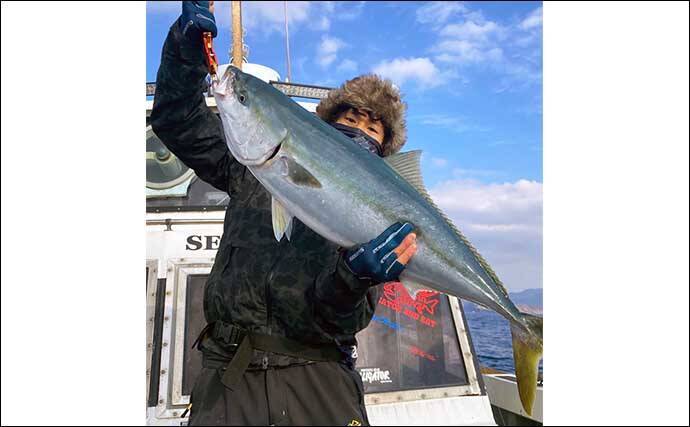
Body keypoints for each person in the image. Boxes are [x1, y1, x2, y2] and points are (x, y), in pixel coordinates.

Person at [151, 2, 417, 425]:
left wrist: (355, 279)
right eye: (350, 119)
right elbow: (177, 120)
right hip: (230, 375)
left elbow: (344, 318)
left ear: (383, 151)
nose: (358, 132)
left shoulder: (378, 219)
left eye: (372, 130)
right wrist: (184, 54)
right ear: (323, 126)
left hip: (320, 379)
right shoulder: (249, 167)